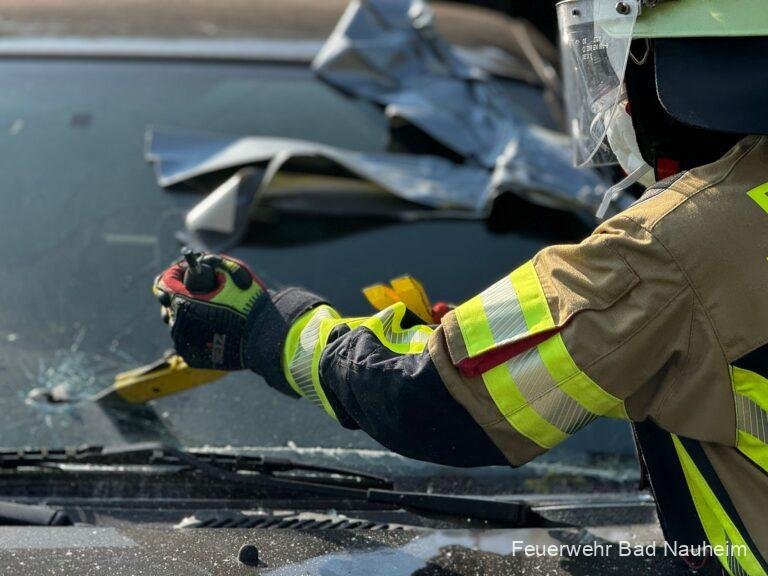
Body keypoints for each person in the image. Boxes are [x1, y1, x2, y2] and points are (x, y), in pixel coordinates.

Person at [153, 1, 768, 573]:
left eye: (622, 66)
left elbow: (438, 399)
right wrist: (534, 346)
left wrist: (272, 329)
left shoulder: (678, 243)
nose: (620, 108)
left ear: (678, 71)